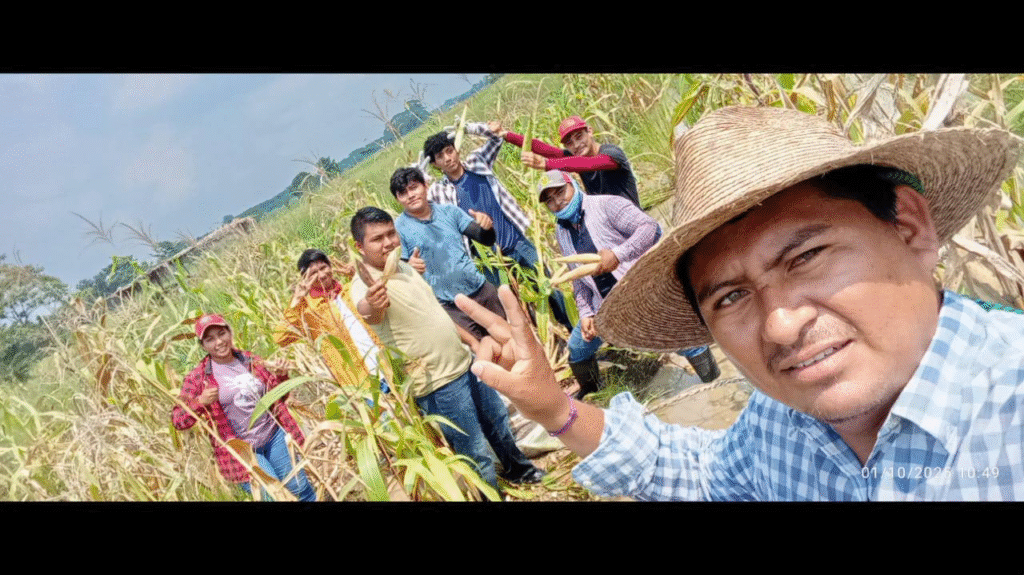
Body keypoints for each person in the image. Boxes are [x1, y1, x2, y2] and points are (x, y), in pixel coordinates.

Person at [455, 105, 1024, 501]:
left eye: (807, 256)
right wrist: (556, 409)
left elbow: (635, 222)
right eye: (730, 296)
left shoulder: (1009, 417)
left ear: (909, 226)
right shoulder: (780, 419)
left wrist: (607, 252)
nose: (781, 326)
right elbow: (704, 472)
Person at [348, 207, 545, 494]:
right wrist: (372, 302)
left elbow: (436, 312)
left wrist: (472, 343)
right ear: (360, 247)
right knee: (472, 446)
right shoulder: (364, 285)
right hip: (437, 382)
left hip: (464, 362)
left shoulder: (406, 267)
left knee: (497, 421)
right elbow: (369, 312)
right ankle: (490, 495)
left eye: (391, 234)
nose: (388, 242)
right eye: (377, 239)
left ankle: (521, 470)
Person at [537, 169, 718, 398]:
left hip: (636, 292)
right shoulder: (562, 231)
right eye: (550, 200)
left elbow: (651, 228)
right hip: (603, 306)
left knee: (684, 342)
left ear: (573, 184)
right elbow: (578, 280)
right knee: (578, 348)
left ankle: (715, 383)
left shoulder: (606, 205)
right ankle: (594, 396)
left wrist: (618, 254)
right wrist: (585, 312)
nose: (557, 202)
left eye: (560, 192)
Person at [422, 121, 573, 333]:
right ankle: (543, 341)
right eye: (440, 157)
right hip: (489, 260)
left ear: (457, 149)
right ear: (436, 164)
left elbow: (497, 137)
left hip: (516, 242)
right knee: (514, 306)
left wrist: (469, 128)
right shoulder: (439, 192)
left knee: (548, 286)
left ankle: (572, 329)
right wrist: (420, 172)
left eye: (449, 151)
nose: (448, 158)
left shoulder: (477, 161)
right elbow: (420, 205)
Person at [172, 313, 316, 501]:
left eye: (221, 334)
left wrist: (281, 375)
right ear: (203, 346)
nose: (219, 342)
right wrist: (200, 402)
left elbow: (279, 396)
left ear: (229, 333)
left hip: (274, 437)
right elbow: (178, 420)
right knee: (272, 497)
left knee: (300, 488)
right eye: (210, 339)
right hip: (243, 451)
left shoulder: (249, 359)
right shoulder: (198, 378)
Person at [390, 167, 506, 340]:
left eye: (414, 187)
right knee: (483, 349)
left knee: (509, 338)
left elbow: (486, 239)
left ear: (425, 185)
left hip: (481, 290)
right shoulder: (399, 229)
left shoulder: (450, 212)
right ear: (398, 199)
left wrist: (487, 227)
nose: (410, 195)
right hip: (450, 306)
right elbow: (400, 272)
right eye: (403, 193)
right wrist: (409, 267)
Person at [274, 249, 390, 394]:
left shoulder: (350, 290)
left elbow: (386, 302)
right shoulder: (308, 311)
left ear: (330, 267)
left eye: (323, 268)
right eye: (313, 273)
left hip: (388, 367)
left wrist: (359, 277)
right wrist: (297, 299)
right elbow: (281, 338)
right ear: (305, 279)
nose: (322, 275)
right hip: (361, 385)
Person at [510, 115, 640, 207]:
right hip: (608, 223)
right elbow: (544, 149)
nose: (576, 145)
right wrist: (506, 134)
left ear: (589, 131)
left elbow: (589, 164)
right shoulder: (575, 159)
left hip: (631, 218)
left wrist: (545, 164)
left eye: (579, 136)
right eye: (569, 143)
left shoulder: (612, 153)